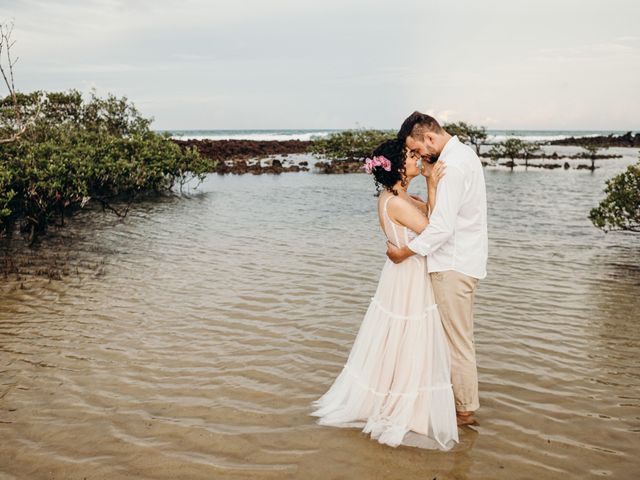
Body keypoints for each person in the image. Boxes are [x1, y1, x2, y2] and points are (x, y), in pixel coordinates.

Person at [310, 138, 458, 450]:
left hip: (400, 274)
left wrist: (423, 194)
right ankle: (402, 408)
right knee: (409, 337)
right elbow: (434, 231)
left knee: (398, 338)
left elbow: (421, 227)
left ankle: (394, 397)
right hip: (408, 278)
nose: (417, 159)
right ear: (398, 168)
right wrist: (433, 185)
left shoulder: (394, 196)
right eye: (411, 156)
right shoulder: (399, 202)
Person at [386, 111, 488, 426]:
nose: (419, 156)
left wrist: (404, 251)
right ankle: (457, 403)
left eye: (417, 150)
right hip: (462, 261)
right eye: (414, 155)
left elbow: (441, 228)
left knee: (457, 342)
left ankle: (464, 411)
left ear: (429, 137)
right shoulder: (464, 155)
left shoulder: (453, 166)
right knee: (456, 339)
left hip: (453, 265)